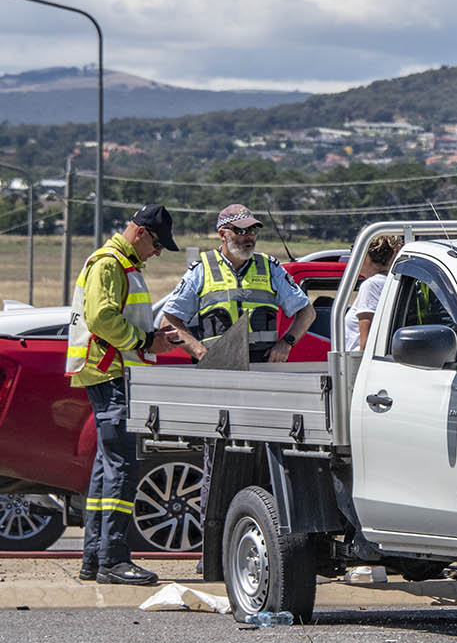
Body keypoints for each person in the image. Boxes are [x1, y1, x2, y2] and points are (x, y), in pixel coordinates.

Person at [65, 204, 182, 585]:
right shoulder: (110, 264)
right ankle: (114, 559)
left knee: (106, 469)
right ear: (142, 232)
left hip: (110, 373)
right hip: (111, 373)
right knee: (123, 468)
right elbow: (101, 318)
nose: (159, 251)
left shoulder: (119, 264)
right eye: (158, 243)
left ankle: (95, 559)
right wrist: (147, 341)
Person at [159, 203, 316, 363]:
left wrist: (286, 343)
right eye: (241, 231)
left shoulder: (270, 267)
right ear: (222, 234)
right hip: (218, 369)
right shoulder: (201, 269)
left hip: (263, 368)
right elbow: (169, 321)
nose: (249, 236)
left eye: (253, 230)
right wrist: (201, 353)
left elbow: (307, 312)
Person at [343, 234, 402, 350]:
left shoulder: (371, 286)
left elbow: (366, 343)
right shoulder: (390, 282)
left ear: (365, 256)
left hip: (359, 365)